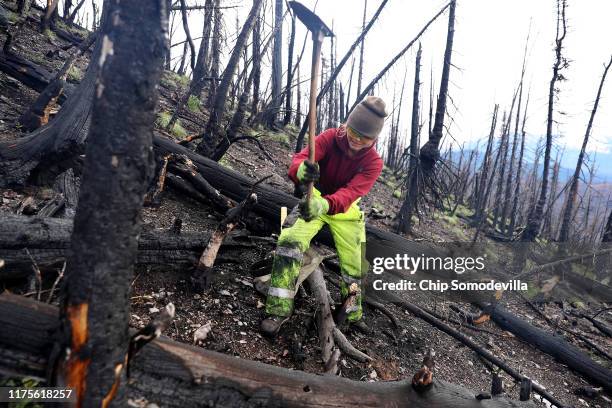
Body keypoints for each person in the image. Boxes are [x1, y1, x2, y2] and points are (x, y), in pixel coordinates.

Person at [261, 96, 388, 337]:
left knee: (356, 266)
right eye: (353, 131)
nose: (357, 139)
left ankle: (351, 312)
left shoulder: (373, 162)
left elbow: (351, 194)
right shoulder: (330, 137)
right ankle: (278, 308)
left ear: (375, 138)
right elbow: (300, 160)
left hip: (345, 210)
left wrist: (325, 205)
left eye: (365, 136)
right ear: (346, 124)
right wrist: (301, 171)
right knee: (289, 243)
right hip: (314, 197)